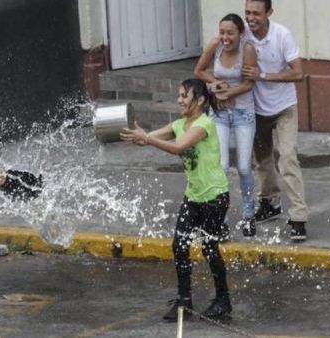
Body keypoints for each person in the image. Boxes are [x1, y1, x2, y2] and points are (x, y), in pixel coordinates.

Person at [121, 79, 232, 321]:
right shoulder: (180, 123)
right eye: (179, 95)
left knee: (209, 248)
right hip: (193, 196)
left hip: (215, 196)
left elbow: (178, 147)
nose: (179, 100)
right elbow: (149, 137)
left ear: (200, 100)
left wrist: (148, 138)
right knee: (178, 246)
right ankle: (184, 301)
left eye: (184, 96)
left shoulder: (204, 125)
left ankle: (223, 300)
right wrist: (138, 134)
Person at [241, 0, 308, 241]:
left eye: (256, 13)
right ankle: (269, 203)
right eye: (247, 12)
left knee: (288, 158)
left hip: (284, 107)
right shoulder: (243, 34)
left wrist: (263, 75)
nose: (251, 17)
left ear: (269, 13)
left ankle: (298, 217)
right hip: (257, 109)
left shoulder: (282, 35)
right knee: (262, 161)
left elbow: (298, 73)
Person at [195, 13, 258, 237]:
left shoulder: (247, 49)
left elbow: (250, 83)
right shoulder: (215, 45)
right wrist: (217, 83)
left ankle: (249, 215)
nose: (225, 37)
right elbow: (199, 71)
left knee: (243, 167)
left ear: (240, 34)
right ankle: (218, 219)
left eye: (230, 33)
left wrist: (229, 92)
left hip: (243, 112)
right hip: (219, 112)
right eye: (222, 32)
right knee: (221, 167)